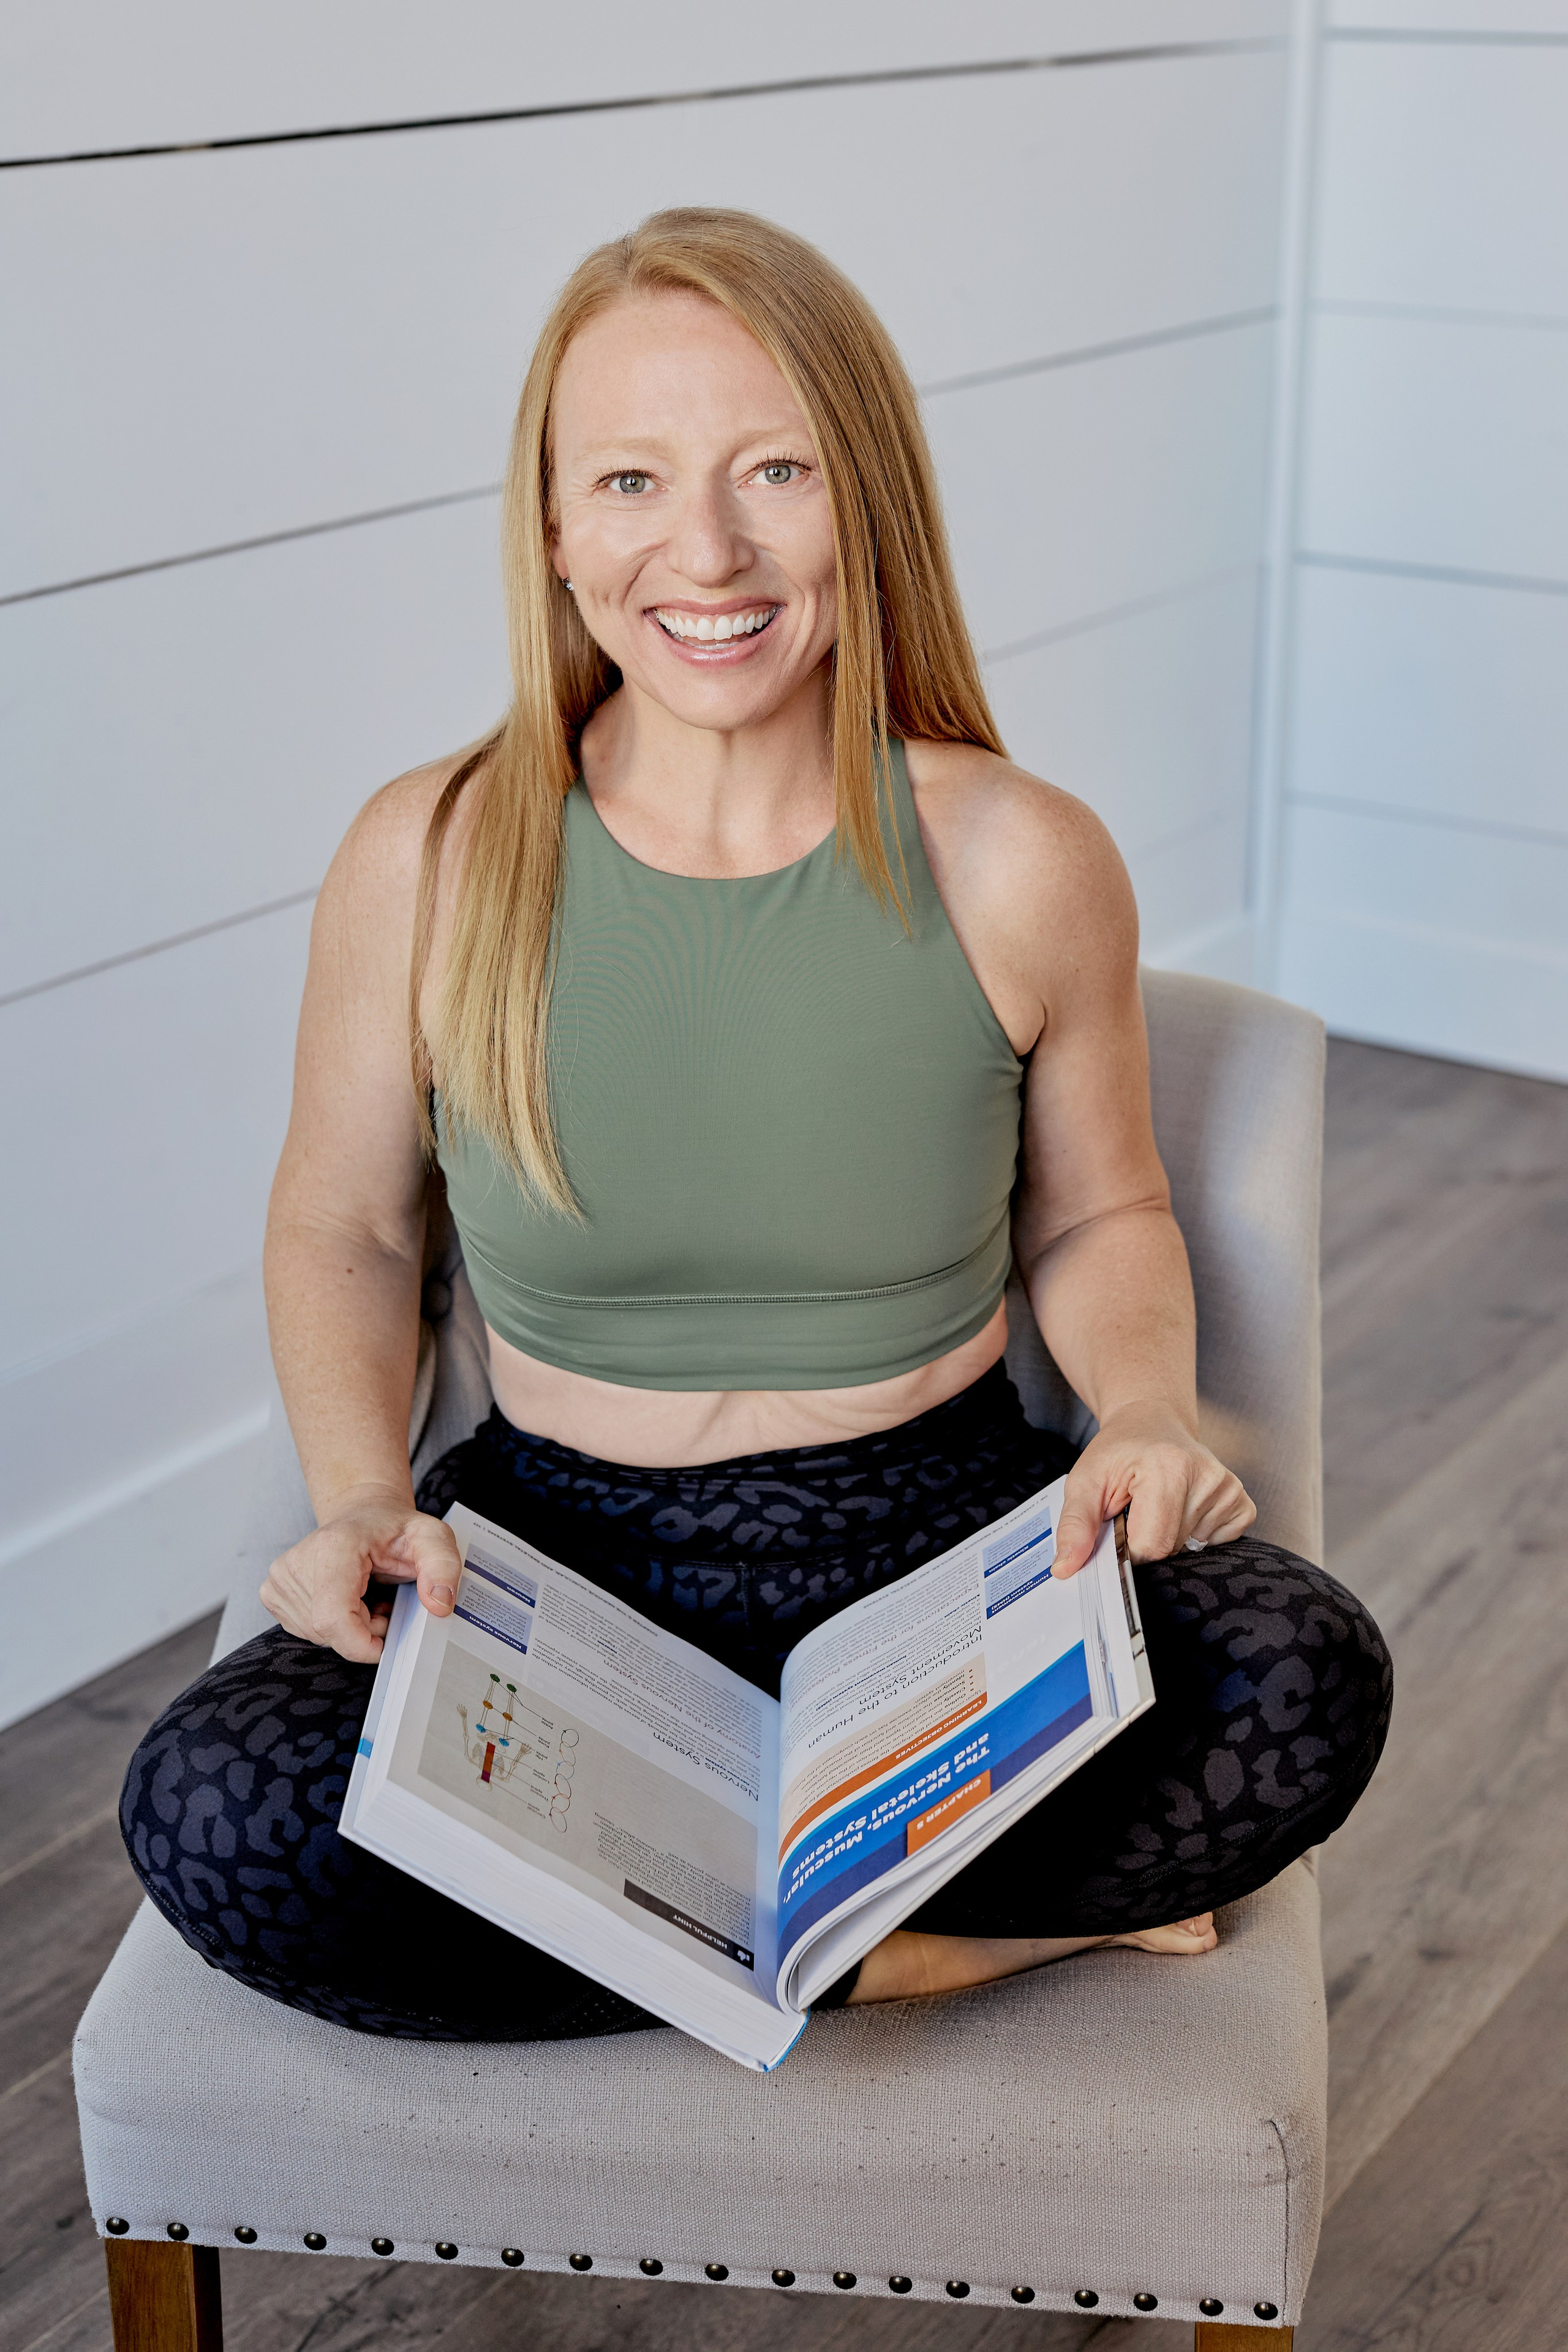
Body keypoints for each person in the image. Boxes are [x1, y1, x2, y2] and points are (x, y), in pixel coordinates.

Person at [121, 209, 1390, 2041]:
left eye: (774, 470)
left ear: (860, 498)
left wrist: (1145, 1412)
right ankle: (887, 1946)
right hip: (555, 1567)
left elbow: (1100, 1218)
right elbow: (350, 1228)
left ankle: (695, 1920)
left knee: (1301, 1673)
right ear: (555, 533)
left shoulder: (1024, 857)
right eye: (630, 480)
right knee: (214, 1813)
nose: (702, 550)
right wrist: (359, 1501)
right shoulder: (432, 855)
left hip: (941, 1547)